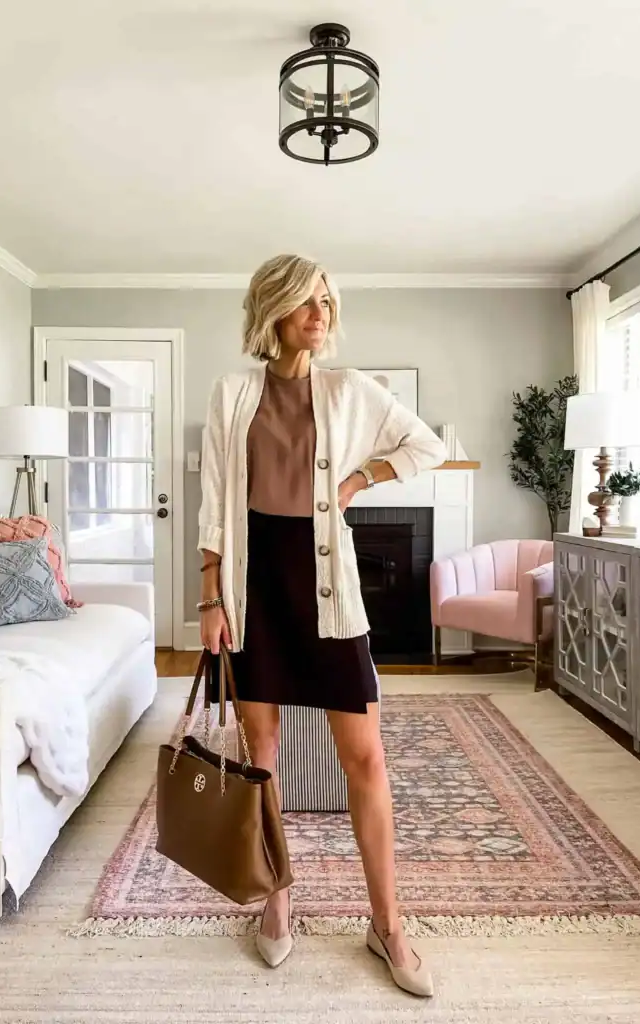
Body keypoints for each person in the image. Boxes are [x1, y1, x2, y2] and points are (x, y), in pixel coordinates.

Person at [197, 253, 446, 998]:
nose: (320, 314)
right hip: (256, 582)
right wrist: (211, 597)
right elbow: (215, 499)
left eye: (327, 303)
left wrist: (356, 480)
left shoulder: (348, 389)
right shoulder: (233, 393)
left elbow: (426, 446)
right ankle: (278, 898)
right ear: (272, 309)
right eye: (307, 301)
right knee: (262, 752)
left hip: (327, 583)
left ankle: (388, 923)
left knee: (364, 757)